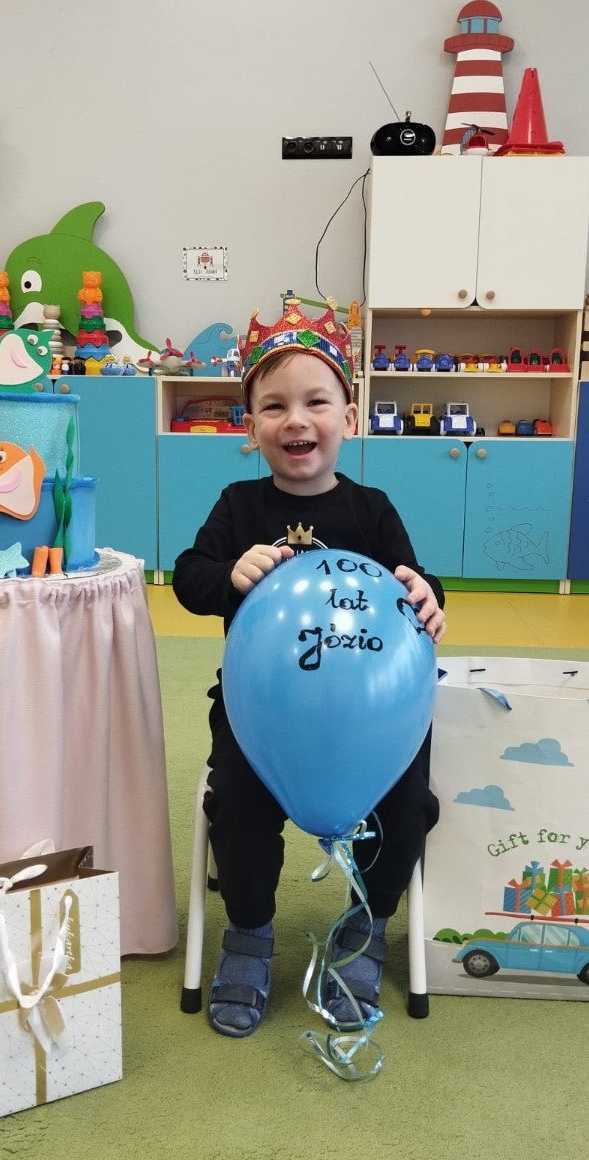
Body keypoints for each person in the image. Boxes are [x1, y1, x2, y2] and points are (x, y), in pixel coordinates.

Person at [173, 298, 446, 1038]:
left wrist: (428, 593)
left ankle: (365, 930)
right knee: (237, 800)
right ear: (250, 427)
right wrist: (229, 575)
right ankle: (248, 933)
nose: (296, 420)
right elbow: (189, 577)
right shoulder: (238, 505)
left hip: (375, 716)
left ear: (349, 418)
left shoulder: (372, 509)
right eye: (274, 406)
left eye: (316, 402)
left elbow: (414, 582)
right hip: (261, 713)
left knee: (406, 805)